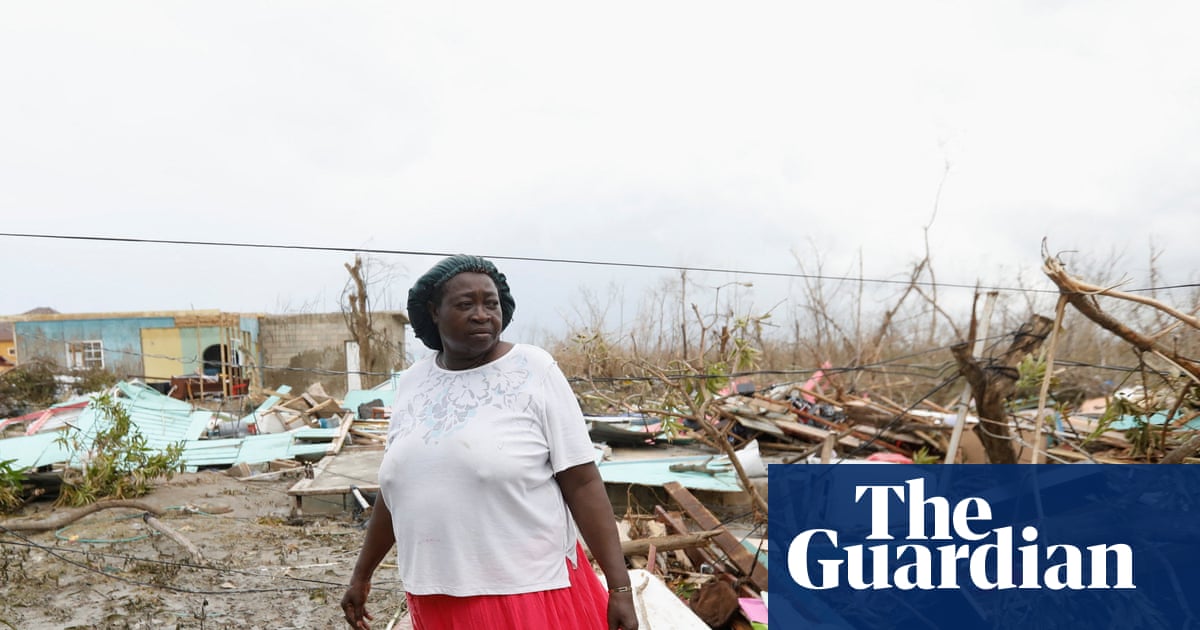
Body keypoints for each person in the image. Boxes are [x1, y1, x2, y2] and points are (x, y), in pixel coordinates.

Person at [341, 255, 639, 630]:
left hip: (526, 593)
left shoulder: (533, 369)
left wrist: (620, 588)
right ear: (434, 311)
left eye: (491, 303)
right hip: (435, 594)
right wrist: (361, 575)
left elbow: (582, 482)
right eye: (466, 304)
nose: (482, 314)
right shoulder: (414, 382)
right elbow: (397, 488)